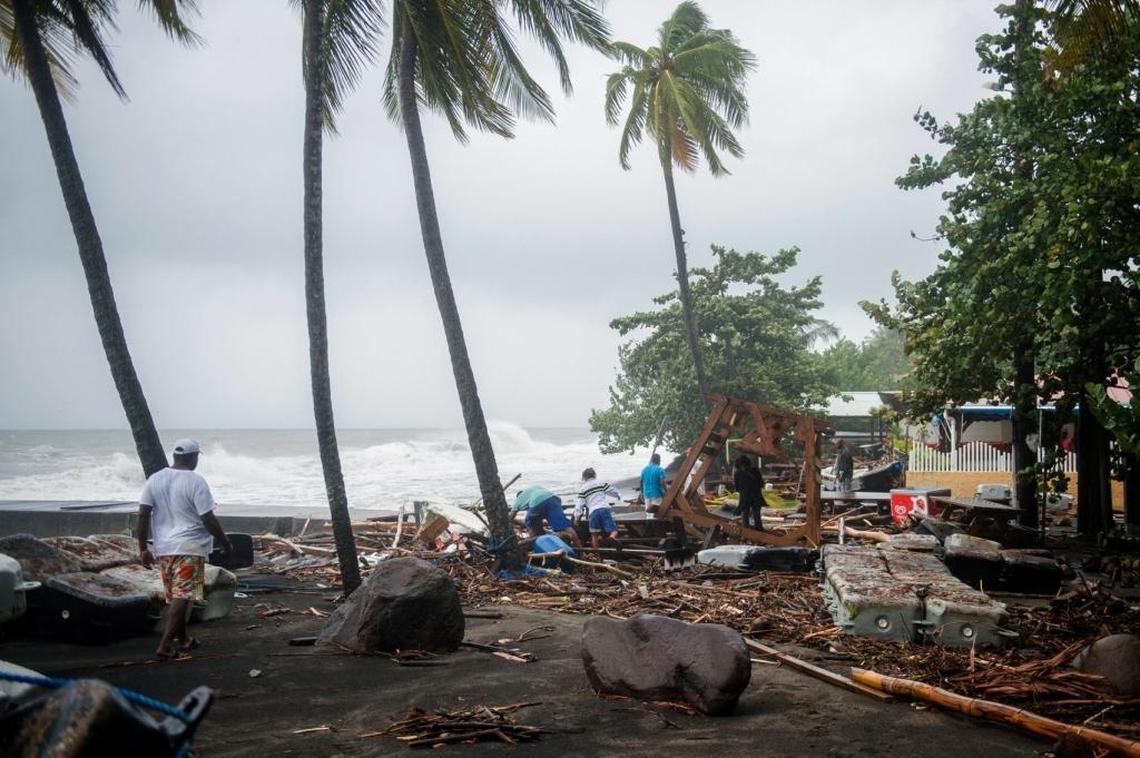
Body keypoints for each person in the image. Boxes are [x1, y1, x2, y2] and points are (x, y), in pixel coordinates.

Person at [137, 438, 231, 660]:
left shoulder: (155, 479)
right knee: (183, 595)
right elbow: (207, 517)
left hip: (164, 548)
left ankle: (184, 639)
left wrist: (143, 547)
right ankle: (165, 645)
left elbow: (143, 514)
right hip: (189, 547)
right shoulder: (196, 481)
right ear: (193, 457)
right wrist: (224, 541)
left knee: (176, 597)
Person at [512, 484, 581, 548]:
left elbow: (511, 517)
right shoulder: (534, 488)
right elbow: (556, 501)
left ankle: (535, 545)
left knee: (529, 523)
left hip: (536, 502)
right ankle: (579, 548)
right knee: (564, 525)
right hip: (553, 499)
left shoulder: (519, 499)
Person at [574, 468, 621, 552]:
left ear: (584, 477)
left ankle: (596, 555)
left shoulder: (583, 489)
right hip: (604, 509)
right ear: (594, 475)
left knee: (594, 535)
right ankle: (612, 536)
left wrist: (577, 517)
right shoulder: (601, 483)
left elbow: (579, 505)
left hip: (593, 512)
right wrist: (618, 495)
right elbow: (613, 491)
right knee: (613, 529)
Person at [733, 454, 765, 531]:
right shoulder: (755, 470)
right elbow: (761, 484)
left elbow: (737, 488)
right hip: (756, 496)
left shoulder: (737, 474)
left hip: (745, 498)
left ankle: (746, 533)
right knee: (757, 517)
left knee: (745, 517)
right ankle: (760, 533)